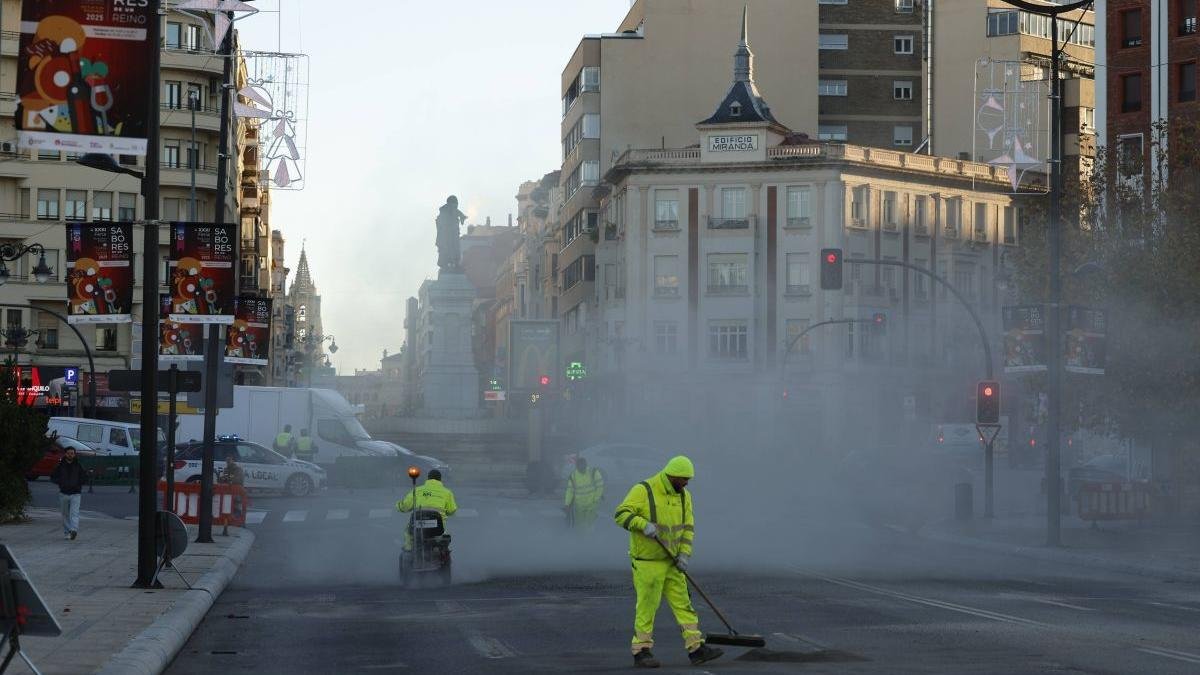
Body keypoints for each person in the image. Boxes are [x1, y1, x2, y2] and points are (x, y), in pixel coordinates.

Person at [613, 455, 723, 668]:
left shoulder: (684, 496)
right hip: (647, 561)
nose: (687, 483)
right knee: (647, 607)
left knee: (684, 605)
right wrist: (642, 524)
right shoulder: (644, 489)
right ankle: (641, 651)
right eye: (684, 479)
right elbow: (620, 514)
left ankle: (696, 649)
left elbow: (688, 528)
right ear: (672, 476)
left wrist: (684, 555)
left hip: (672, 561)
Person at [396, 469, 457, 551]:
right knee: (444, 536)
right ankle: (443, 552)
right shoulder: (447, 492)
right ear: (440, 480)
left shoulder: (417, 490)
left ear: (428, 479)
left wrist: (399, 506)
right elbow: (452, 510)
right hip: (438, 527)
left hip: (418, 525)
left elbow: (405, 506)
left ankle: (409, 550)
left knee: (408, 532)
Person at [51, 444, 86, 540]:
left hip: (76, 493)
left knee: (74, 513)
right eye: (68, 453)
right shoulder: (60, 466)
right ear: (65, 454)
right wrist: (60, 483)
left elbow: (84, 477)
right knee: (65, 514)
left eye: (72, 453)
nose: (70, 455)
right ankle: (67, 532)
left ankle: (73, 530)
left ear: (74, 455)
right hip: (64, 493)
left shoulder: (78, 465)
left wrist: (78, 485)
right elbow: (53, 477)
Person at [564, 456, 604, 530]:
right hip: (579, 506)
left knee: (589, 524)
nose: (582, 468)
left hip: (592, 504)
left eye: (583, 466)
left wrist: (596, 499)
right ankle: (582, 539)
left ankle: (589, 539)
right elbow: (570, 491)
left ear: (586, 465)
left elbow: (600, 486)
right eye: (580, 466)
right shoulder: (573, 476)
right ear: (577, 467)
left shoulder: (593, 472)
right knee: (580, 525)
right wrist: (567, 504)